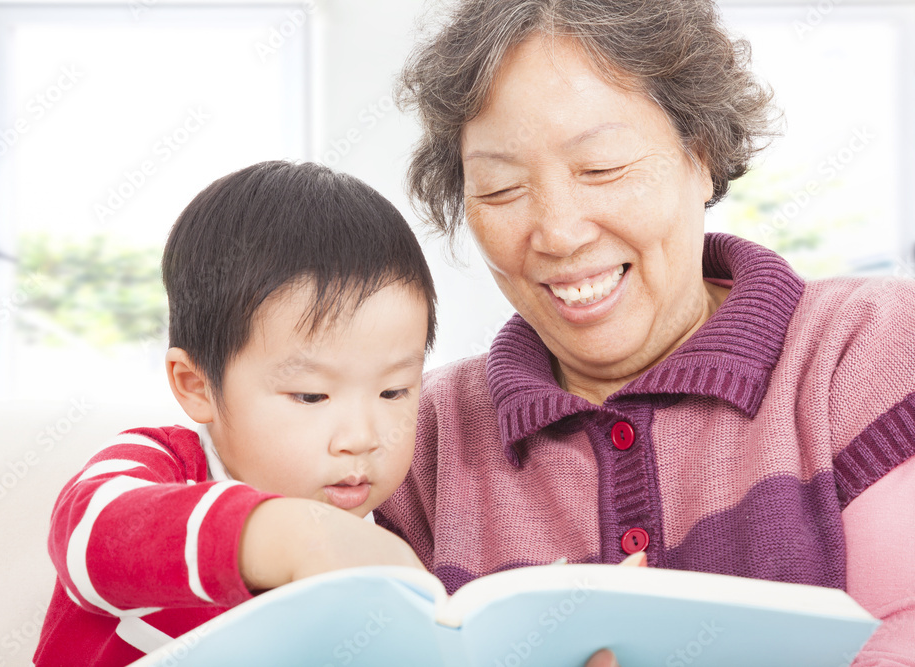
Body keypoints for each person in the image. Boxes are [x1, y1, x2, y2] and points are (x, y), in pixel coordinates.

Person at [375, 1, 915, 665]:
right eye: (501, 188)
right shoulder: (414, 434)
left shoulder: (871, 349)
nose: (559, 232)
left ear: (703, 153)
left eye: (600, 168)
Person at [33, 161, 436, 666]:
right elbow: (88, 532)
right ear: (196, 384)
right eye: (311, 396)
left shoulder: (381, 546)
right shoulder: (162, 466)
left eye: (395, 391)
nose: (360, 437)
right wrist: (286, 535)